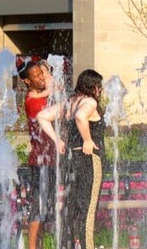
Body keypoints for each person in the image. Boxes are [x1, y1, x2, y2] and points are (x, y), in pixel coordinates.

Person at [56, 70, 107, 249]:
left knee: (70, 209)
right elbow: (80, 116)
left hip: (72, 160)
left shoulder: (70, 102)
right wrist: (87, 140)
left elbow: (43, 116)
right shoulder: (90, 102)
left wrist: (57, 140)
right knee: (88, 210)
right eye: (99, 86)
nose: (100, 91)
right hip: (89, 160)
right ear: (93, 86)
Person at [19, 57, 58, 248]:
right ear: (27, 81)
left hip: (49, 160)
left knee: (43, 209)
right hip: (40, 161)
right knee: (38, 208)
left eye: (41, 73)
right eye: (36, 75)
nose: (41, 77)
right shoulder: (32, 101)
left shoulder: (41, 96)